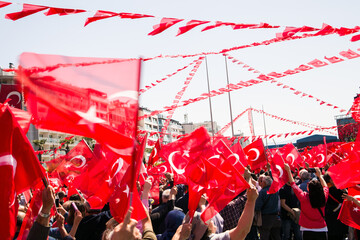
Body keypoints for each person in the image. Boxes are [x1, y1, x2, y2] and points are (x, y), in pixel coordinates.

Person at [284, 164, 328, 240]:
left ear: (308, 189)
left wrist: (288, 170)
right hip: (321, 228)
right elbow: (326, 187)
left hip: (306, 229)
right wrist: (320, 176)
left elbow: (293, 184)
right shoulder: (323, 197)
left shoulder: (303, 197)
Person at [255, 175, 281, 240]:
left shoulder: (262, 192)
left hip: (265, 219)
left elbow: (257, 206)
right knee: (276, 236)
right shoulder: (275, 190)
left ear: (264, 183)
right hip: (276, 217)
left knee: (264, 237)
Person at [323, 173, 348, 240]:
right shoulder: (338, 191)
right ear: (330, 180)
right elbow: (346, 197)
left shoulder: (323, 190)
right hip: (338, 219)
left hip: (328, 218)